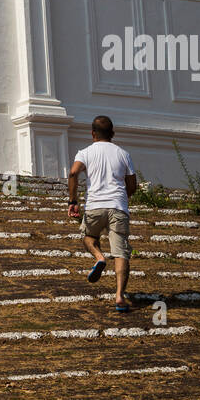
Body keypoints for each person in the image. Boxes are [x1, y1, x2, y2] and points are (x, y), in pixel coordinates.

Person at [67, 116, 136, 313]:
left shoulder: (85, 152)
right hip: (118, 207)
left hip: (95, 206)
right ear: (112, 134)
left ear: (93, 133)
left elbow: (73, 173)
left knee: (89, 238)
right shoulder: (123, 154)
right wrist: (124, 198)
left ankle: (99, 257)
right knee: (121, 252)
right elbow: (132, 184)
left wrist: (73, 201)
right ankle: (120, 296)